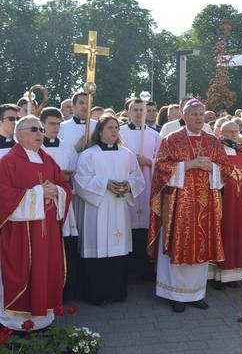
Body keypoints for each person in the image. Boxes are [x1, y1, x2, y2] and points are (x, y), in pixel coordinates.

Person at [148, 99, 233, 312]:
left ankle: (196, 294)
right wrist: (188, 165)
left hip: (205, 204)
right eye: (194, 114)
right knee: (179, 243)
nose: (198, 118)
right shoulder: (172, 140)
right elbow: (161, 167)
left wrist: (212, 167)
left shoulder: (213, 141)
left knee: (201, 244)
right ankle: (175, 294)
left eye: (201, 114)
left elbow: (226, 168)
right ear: (184, 116)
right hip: (179, 205)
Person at [0, 115, 71, 330]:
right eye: (34, 129)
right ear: (19, 134)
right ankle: (15, 323)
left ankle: (44, 318)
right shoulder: (8, 162)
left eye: (41, 129)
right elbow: (4, 196)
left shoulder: (48, 159)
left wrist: (56, 191)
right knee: (22, 271)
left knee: (46, 270)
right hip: (21, 232)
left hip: (47, 232)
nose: (39, 133)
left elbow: (64, 187)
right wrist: (39, 193)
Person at [74, 116, 145, 305]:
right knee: (97, 247)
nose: (114, 131)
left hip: (119, 207)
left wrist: (128, 186)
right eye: (110, 128)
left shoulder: (127, 154)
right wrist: (104, 184)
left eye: (116, 128)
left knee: (118, 248)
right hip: (97, 208)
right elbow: (81, 180)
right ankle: (96, 294)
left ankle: (116, 292)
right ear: (100, 131)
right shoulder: (89, 154)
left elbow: (138, 178)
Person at [40, 107, 80, 300]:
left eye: (58, 123)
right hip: (42, 205)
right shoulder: (36, 149)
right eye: (51, 123)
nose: (55, 127)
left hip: (64, 202)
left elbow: (78, 173)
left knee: (66, 243)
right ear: (42, 124)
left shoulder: (67, 148)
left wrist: (68, 178)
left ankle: (67, 289)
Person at [119, 99, 161, 280]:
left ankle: (146, 268)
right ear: (128, 112)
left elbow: (163, 161)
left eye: (141, 110)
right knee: (127, 225)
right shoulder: (119, 133)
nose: (138, 113)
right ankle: (128, 268)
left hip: (148, 184)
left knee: (145, 227)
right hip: (127, 185)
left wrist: (149, 161)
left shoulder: (155, 135)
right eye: (134, 110)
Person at [209, 120, 242, 288]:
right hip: (222, 199)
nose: (234, 135)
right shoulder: (215, 150)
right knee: (221, 234)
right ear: (221, 132)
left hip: (238, 201)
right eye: (230, 132)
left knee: (236, 235)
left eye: (236, 132)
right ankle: (215, 276)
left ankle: (231, 276)